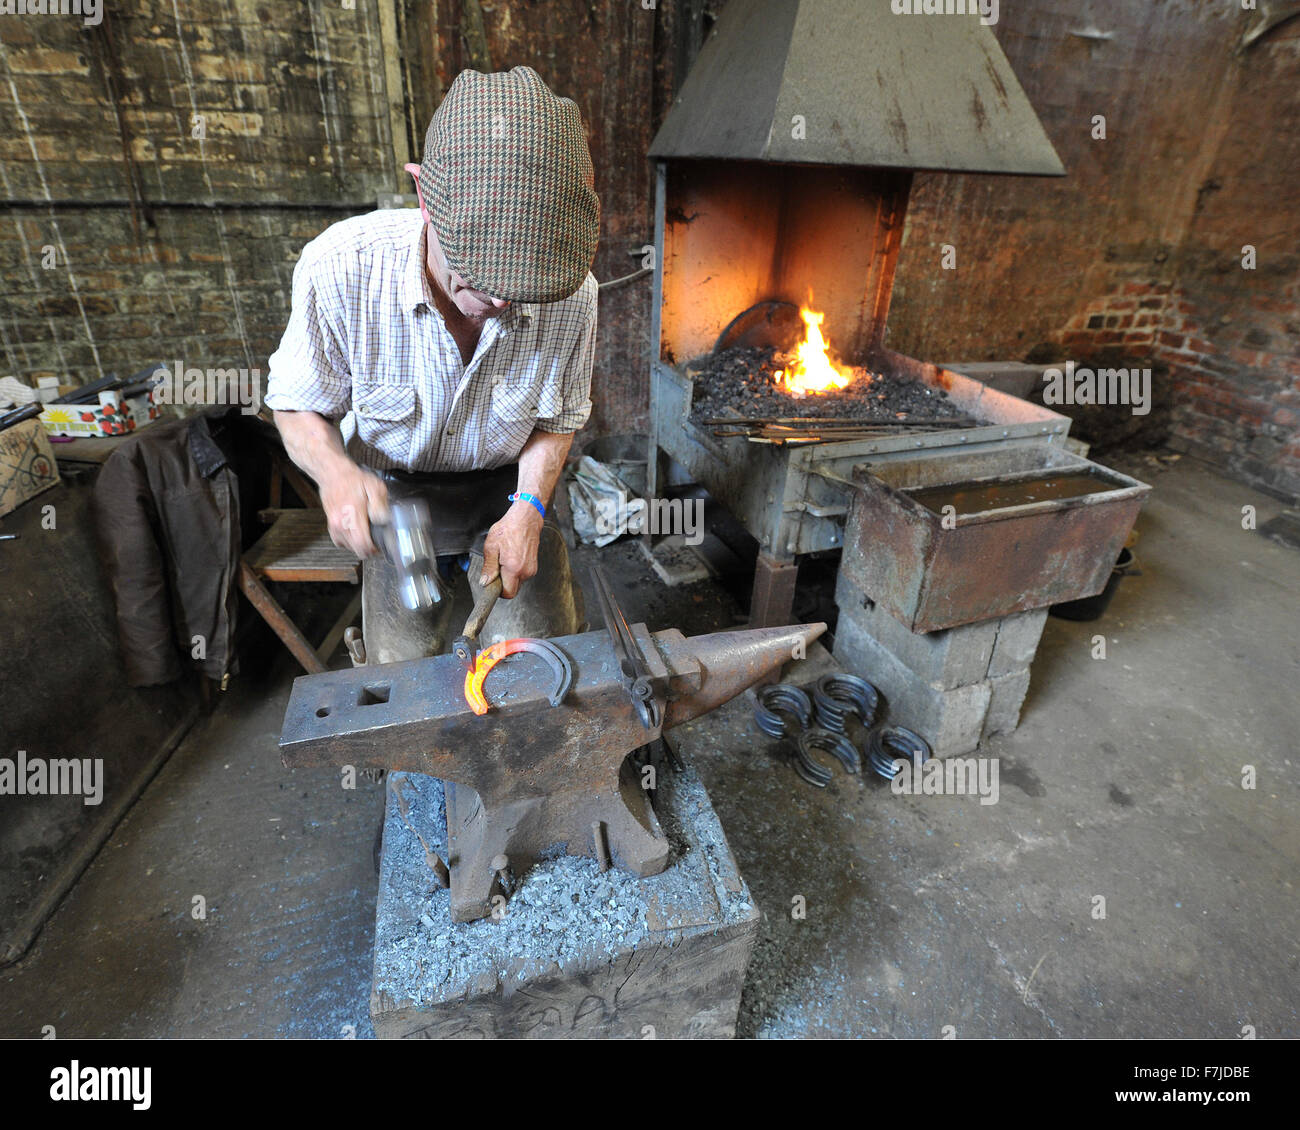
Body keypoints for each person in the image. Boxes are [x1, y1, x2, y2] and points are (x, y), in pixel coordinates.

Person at [265, 66, 598, 663]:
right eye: (478, 273)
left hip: (511, 488)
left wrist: (531, 507)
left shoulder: (572, 293)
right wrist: (336, 475)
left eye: (518, 288)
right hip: (393, 498)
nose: (499, 302)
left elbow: (558, 416)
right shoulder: (342, 268)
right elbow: (296, 404)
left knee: (541, 663)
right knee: (404, 671)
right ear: (424, 195)